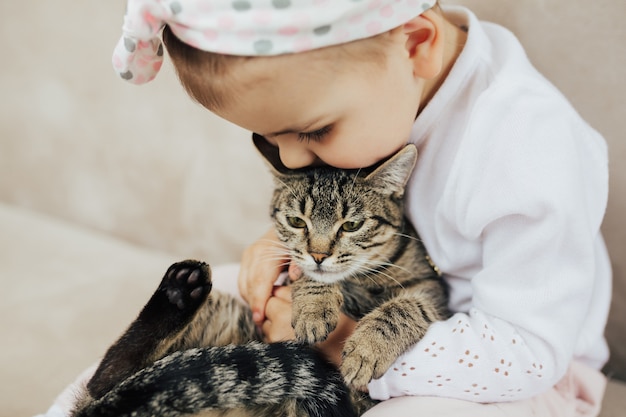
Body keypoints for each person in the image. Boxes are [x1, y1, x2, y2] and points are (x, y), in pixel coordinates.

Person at [40, 1, 611, 416]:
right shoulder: (375, 81)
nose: (289, 158)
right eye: (270, 140)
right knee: (215, 300)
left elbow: (528, 351)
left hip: (517, 371)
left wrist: (340, 341)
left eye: (310, 132)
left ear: (417, 43)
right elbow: (333, 208)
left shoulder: (529, 151)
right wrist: (277, 244)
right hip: (362, 281)